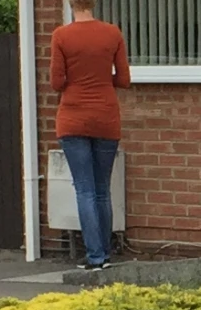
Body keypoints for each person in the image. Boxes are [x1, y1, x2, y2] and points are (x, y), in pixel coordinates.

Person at [51, 0, 130, 270]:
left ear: (72, 4)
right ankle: (105, 254)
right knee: (102, 191)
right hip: (106, 117)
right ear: (94, 3)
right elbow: (124, 80)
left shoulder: (61, 36)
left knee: (84, 189)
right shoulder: (112, 33)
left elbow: (56, 82)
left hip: (73, 118)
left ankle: (94, 256)